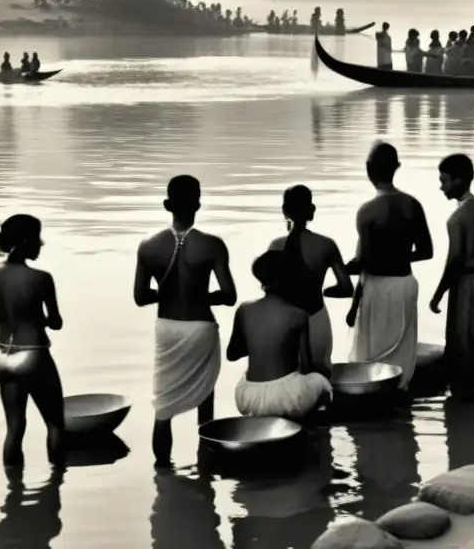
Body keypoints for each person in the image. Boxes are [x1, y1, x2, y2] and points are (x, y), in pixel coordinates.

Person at [132, 175, 237, 466]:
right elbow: (229, 296)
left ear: (167, 205)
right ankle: (205, 467)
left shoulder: (148, 246)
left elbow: (140, 297)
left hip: (167, 329)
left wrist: (166, 293)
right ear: (198, 204)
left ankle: (162, 472)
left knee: (162, 407)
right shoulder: (213, 245)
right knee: (205, 400)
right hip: (201, 327)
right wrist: (200, 296)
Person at [346, 142, 433, 389]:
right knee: (401, 353)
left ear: (368, 169)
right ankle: (401, 392)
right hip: (404, 285)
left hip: (375, 288)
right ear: (397, 167)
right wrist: (399, 257)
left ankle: (373, 399)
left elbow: (361, 263)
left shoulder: (366, 211)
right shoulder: (412, 205)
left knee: (370, 351)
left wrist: (353, 303)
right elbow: (427, 252)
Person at [0, 215, 65, 468]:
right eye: (38, 238)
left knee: (15, 428)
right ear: (26, 241)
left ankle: (13, 494)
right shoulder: (41, 278)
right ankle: (55, 487)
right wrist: (41, 319)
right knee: (55, 425)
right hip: (33, 354)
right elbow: (57, 322)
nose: (41, 244)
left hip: (0, 356)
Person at [429, 154, 474, 400]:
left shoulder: (457, 218)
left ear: (459, 181)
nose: (441, 187)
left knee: (464, 338)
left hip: (468, 283)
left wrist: (438, 295)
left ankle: (466, 395)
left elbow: (454, 261)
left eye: (445, 181)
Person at [227, 251, 333, 419]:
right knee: (321, 382)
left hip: (248, 397)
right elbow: (307, 367)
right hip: (286, 398)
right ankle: (312, 433)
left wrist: (259, 343)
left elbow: (232, 354)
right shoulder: (298, 314)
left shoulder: (244, 310)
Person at [267, 185, 353, 376]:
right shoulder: (326, 245)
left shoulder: (275, 247)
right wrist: (323, 291)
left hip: (284, 324)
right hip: (316, 320)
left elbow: (269, 291)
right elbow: (347, 288)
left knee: (287, 379)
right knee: (320, 377)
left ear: (284, 211)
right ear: (311, 211)